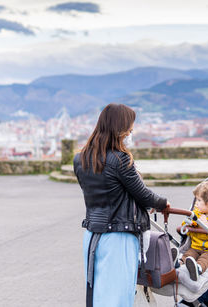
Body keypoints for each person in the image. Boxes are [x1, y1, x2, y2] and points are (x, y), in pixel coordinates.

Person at [73, 103, 169, 307]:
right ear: (119, 129)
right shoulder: (120, 159)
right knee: (117, 298)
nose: (130, 133)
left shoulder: (80, 159)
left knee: (98, 295)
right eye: (129, 130)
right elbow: (143, 195)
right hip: (118, 236)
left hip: (92, 236)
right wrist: (163, 203)